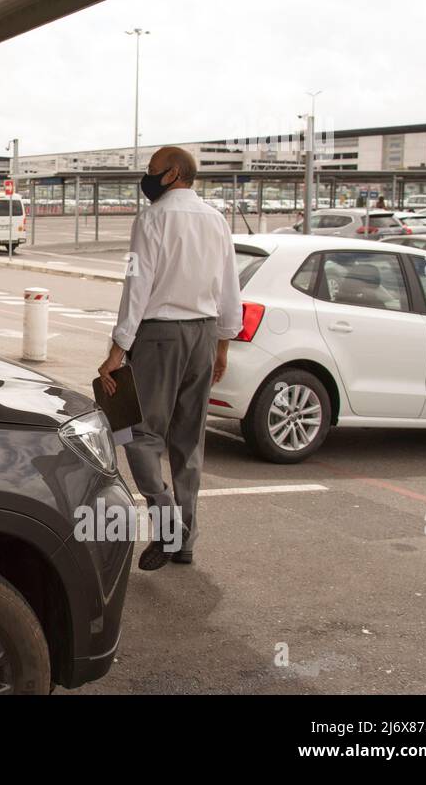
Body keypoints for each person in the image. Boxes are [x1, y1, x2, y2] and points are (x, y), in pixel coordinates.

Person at [98, 147, 242, 571]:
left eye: (151, 171)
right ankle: (186, 541)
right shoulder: (216, 220)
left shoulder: (153, 218)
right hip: (203, 333)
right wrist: (222, 346)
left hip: (159, 337)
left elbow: (136, 285)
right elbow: (230, 287)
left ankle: (166, 525)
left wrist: (117, 350)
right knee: (188, 440)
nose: (146, 178)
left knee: (138, 435)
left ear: (173, 174)